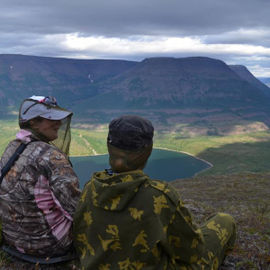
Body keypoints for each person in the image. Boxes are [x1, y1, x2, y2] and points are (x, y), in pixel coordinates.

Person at [73, 115, 236, 270]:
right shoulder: (158, 196)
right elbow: (192, 253)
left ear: (109, 147)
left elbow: (79, 239)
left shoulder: (90, 187)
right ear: (147, 151)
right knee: (224, 220)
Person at [0, 96, 81, 261]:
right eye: (50, 119)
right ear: (33, 123)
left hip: (14, 239)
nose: (58, 124)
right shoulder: (51, 157)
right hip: (48, 246)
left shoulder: (12, 147)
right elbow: (76, 209)